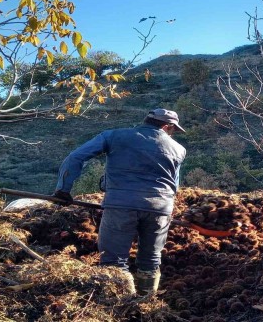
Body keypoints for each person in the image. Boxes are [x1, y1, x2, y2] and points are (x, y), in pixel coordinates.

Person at [53, 108, 186, 296]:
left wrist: (63, 189)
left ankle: (118, 305)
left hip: (121, 205)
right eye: (173, 130)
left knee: (113, 262)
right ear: (167, 126)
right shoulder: (179, 149)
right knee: (151, 261)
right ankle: (146, 303)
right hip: (161, 209)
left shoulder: (113, 136)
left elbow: (75, 157)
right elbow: (174, 186)